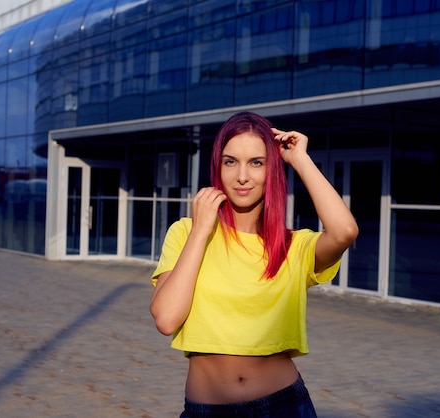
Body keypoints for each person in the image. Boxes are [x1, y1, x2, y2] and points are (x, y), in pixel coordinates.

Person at [150, 112, 359, 417]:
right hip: (206, 410)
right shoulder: (185, 232)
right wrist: (200, 231)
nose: (242, 176)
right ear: (217, 167)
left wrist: (300, 159)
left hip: (283, 405)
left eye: (257, 162)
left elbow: (345, 231)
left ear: (271, 170)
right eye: (231, 161)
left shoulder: (293, 246)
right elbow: (166, 319)